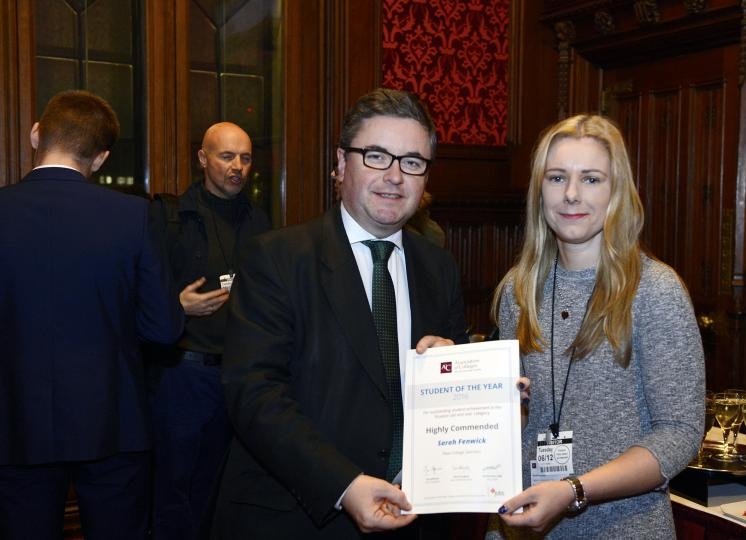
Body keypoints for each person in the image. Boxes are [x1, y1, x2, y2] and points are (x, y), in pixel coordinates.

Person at [212, 88, 469, 539]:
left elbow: (452, 395)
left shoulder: (439, 267)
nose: (394, 176)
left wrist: (467, 379)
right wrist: (344, 485)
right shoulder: (276, 257)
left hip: (415, 518)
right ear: (340, 163)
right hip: (301, 518)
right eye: (376, 156)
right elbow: (255, 396)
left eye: (411, 162)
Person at [487, 114, 705, 538]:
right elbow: (516, 424)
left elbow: (680, 434)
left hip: (622, 528)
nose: (571, 194)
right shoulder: (518, 289)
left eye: (590, 179)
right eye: (556, 178)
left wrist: (573, 490)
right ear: (539, 191)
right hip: (521, 526)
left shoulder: (656, 291)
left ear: (616, 191)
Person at [0, 90, 184, 540]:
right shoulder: (134, 216)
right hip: (113, 424)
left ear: (35, 134)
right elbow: (163, 328)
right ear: (100, 158)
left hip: (14, 423)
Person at [147, 121, 271, 539]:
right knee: (173, 490)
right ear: (203, 159)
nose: (237, 166)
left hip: (241, 376)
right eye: (226, 156)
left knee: (224, 490)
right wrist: (176, 306)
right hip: (185, 376)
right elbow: (136, 296)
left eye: (245, 158)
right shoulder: (170, 218)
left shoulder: (261, 223)